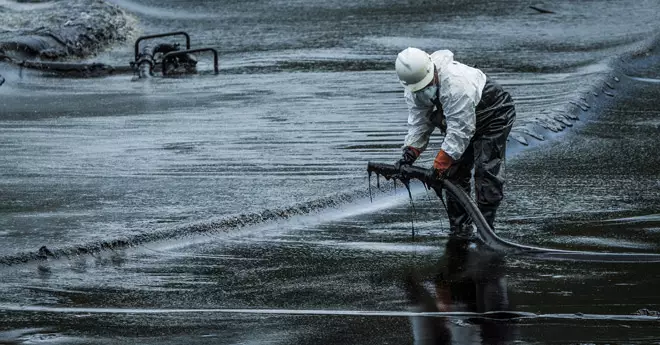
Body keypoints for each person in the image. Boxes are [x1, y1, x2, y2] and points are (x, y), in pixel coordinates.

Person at [393, 47, 516, 237]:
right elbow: (419, 123)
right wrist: (409, 154)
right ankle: (460, 229)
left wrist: (439, 165)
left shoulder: (457, 84)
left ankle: (487, 229)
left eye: (427, 85)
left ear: (432, 71)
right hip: (459, 119)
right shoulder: (415, 89)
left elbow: (460, 131)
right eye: (420, 89)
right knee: (453, 174)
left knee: (485, 170)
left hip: (493, 113)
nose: (425, 91)